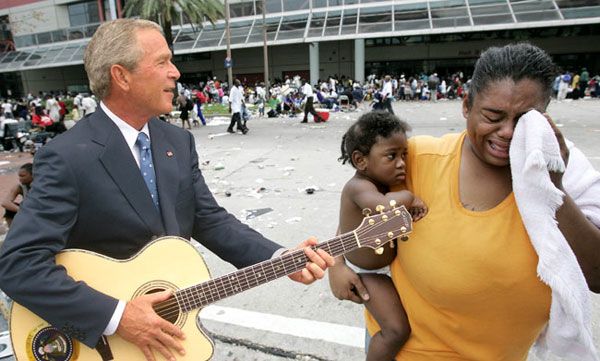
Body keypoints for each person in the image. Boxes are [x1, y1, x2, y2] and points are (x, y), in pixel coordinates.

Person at [0, 19, 334, 361]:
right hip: (103, 347)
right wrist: (117, 317)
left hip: (165, 338)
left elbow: (209, 218)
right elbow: (19, 264)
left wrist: (279, 259)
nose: (175, 73)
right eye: (162, 62)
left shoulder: (177, 140)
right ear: (122, 76)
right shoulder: (68, 156)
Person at [329, 43, 600, 360]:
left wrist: (554, 190)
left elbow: (595, 276)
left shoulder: (565, 166)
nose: (508, 132)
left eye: (525, 118)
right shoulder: (416, 159)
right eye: (493, 116)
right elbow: (361, 209)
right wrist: (336, 262)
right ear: (467, 105)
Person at [338, 112, 427, 361]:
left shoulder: (381, 181)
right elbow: (383, 207)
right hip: (369, 272)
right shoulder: (358, 187)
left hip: (386, 265)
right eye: (391, 156)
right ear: (361, 160)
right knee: (396, 330)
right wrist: (409, 197)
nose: (401, 164)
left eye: (404, 155)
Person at [1, 162, 33, 227]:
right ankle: (11, 230)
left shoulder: (41, 186)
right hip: (27, 210)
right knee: (10, 209)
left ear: (32, 175)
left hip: (38, 209)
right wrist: (23, 210)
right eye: (19, 176)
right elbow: (5, 203)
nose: (20, 179)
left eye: (23, 176)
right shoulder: (20, 187)